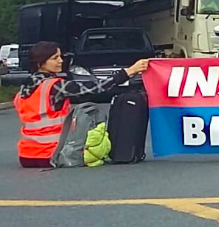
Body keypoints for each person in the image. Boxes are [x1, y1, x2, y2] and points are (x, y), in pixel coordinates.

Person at [14, 41, 149, 168]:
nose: (60, 61)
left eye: (60, 56)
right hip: (53, 153)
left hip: (26, 155)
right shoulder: (54, 86)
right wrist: (128, 72)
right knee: (92, 119)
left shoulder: (24, 89)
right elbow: (96, 87)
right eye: (55, 58)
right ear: (40, 63)